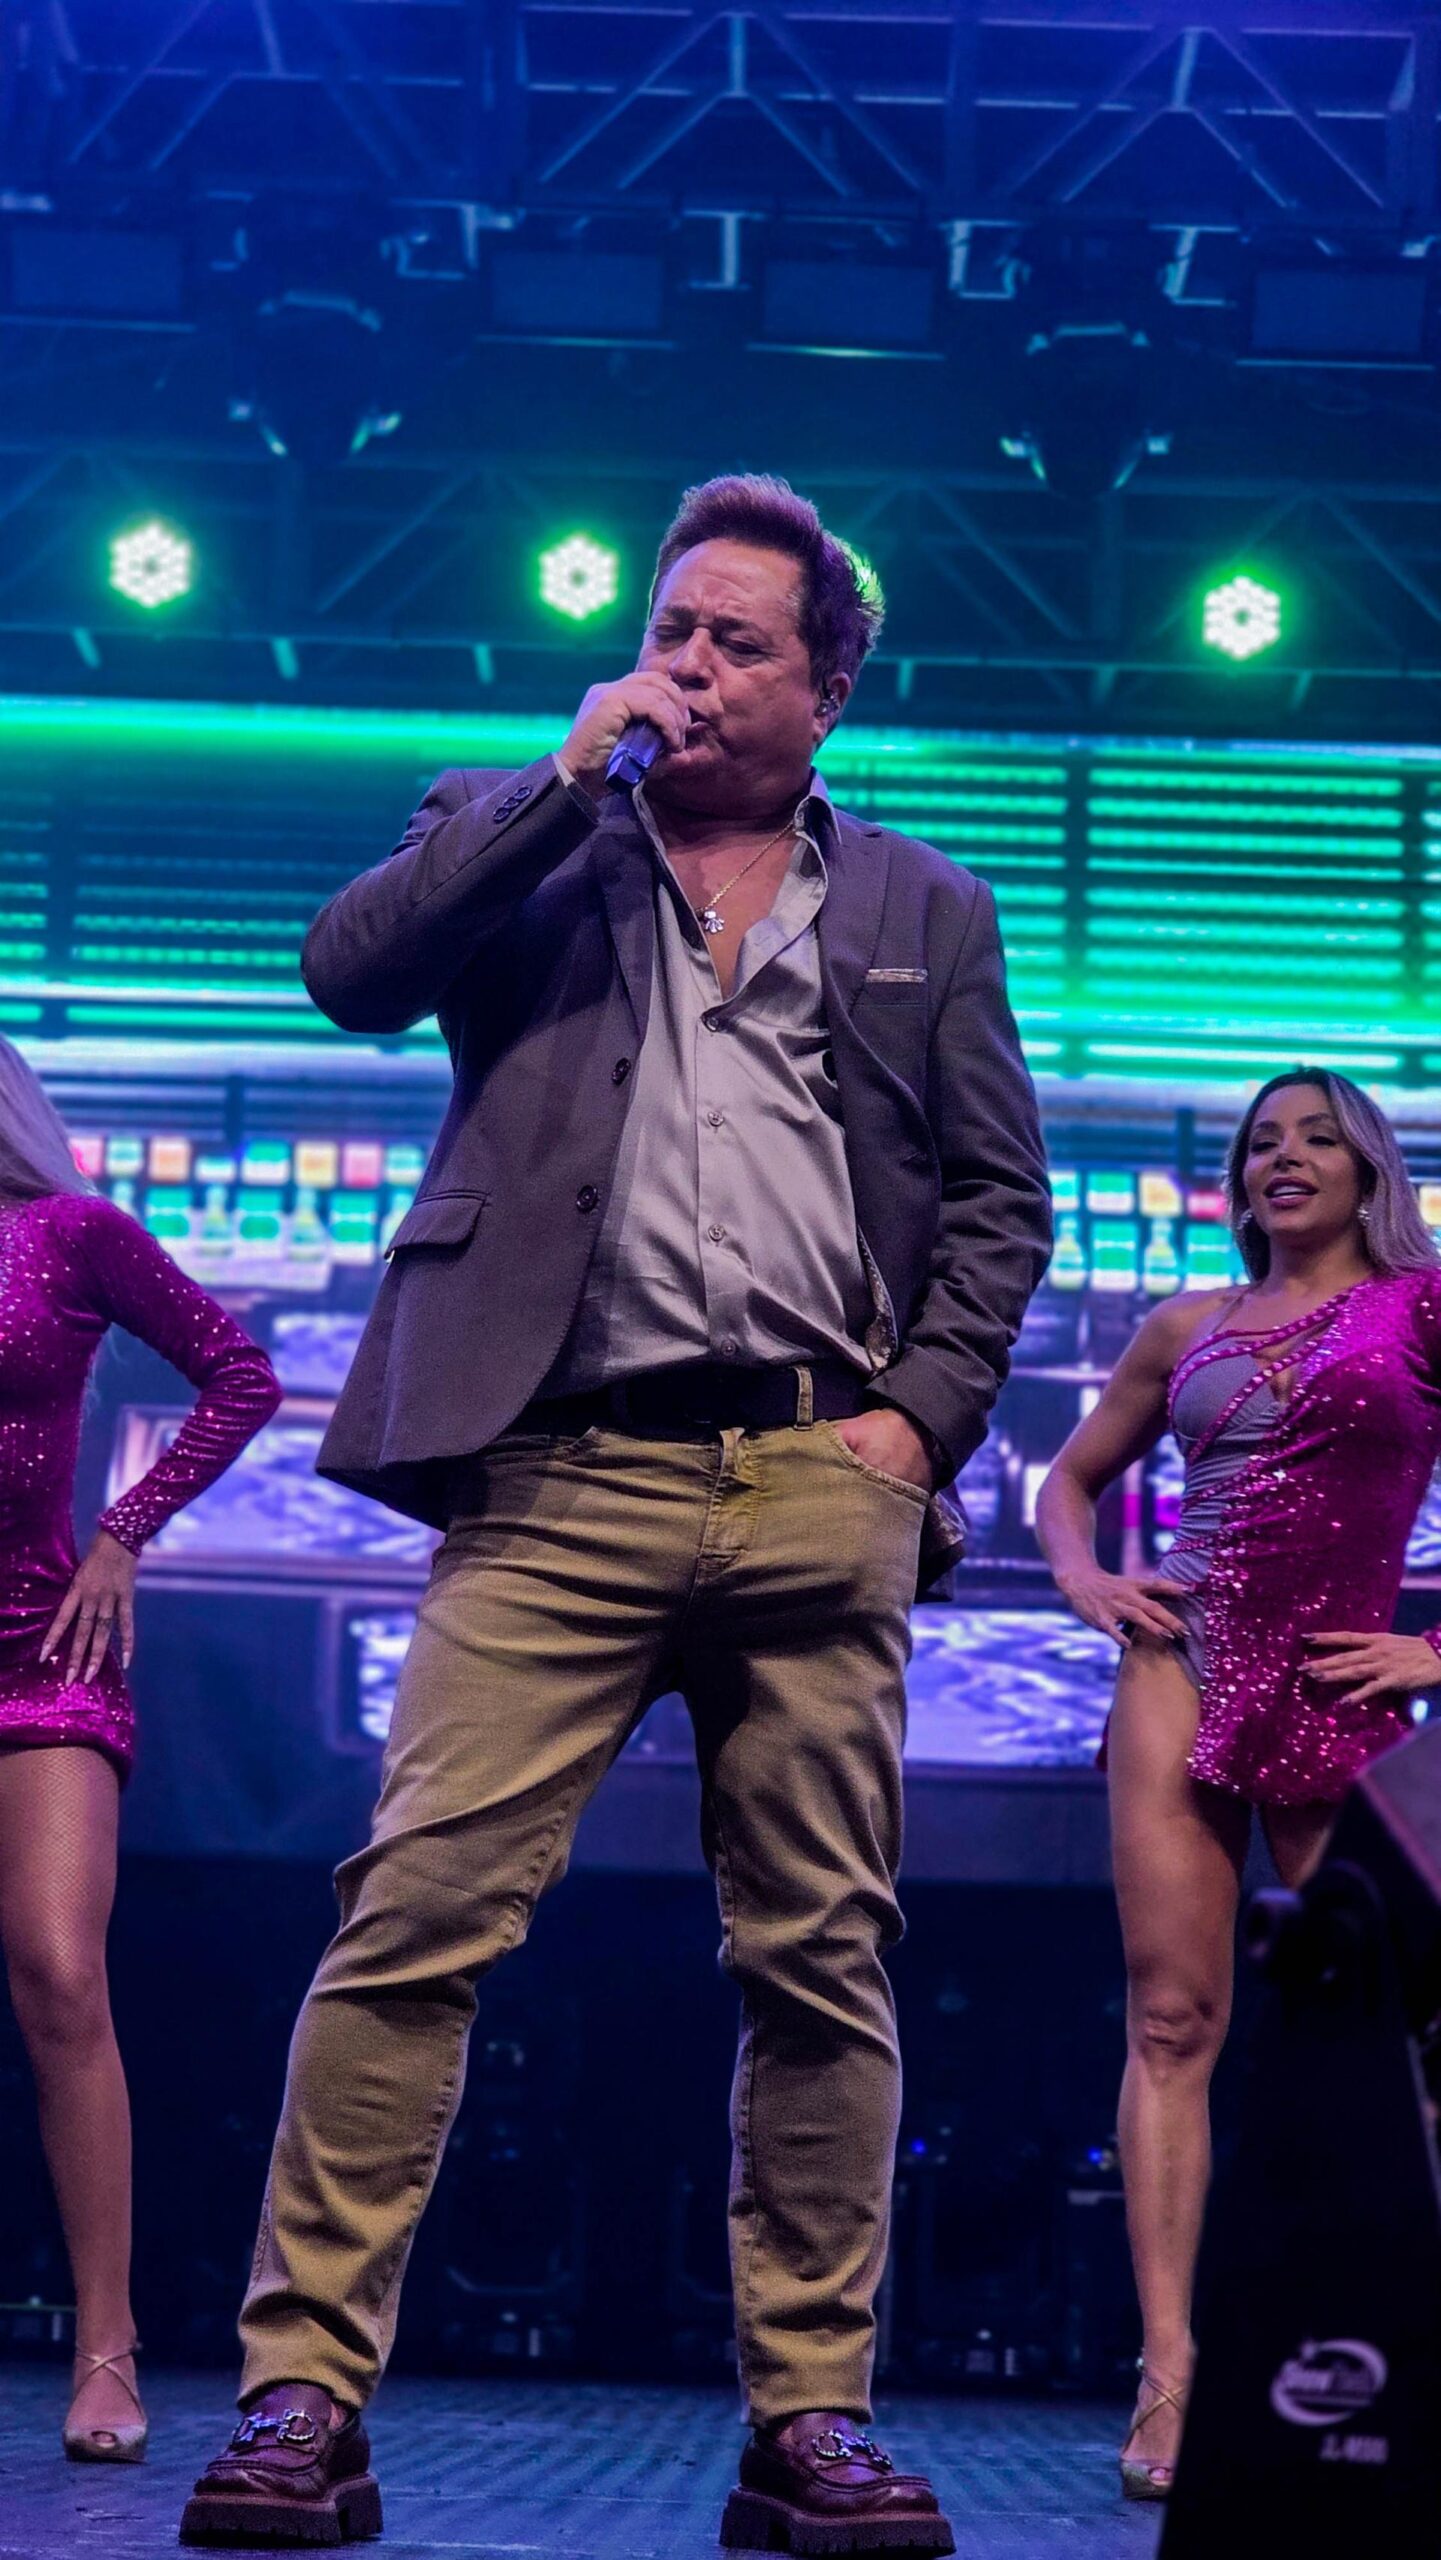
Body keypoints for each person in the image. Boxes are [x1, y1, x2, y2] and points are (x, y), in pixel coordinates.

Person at [180, 473, 1051, 2554]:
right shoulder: (526, 829)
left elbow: (997, 1202)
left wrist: (918, 1426)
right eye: (673, 628)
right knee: (412, 1919)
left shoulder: (926, 906)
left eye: (740, 640)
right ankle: (303, 2397)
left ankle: (807, 2420)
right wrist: (564, 781)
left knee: (819, 1956)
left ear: (828, 690)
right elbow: (349, 971)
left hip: (816, 1473)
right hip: (555, 1465)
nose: (690, 664)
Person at [1036, 1067, 1441, 2502]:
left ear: (1367, 1166)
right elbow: (1066, 1483)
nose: (1285, 1157)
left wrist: (1433, 1649)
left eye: (1318, 1137)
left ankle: (1387, 2365)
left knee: (1391, 2033)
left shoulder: (1424, 1307)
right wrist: (1087, 1579)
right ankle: (1172, 2381)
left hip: (1339, 1688)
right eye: (1262, 1141)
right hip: (1180, 1665)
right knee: (1171, 2019)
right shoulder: (1184, 1326)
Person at [0, 1038, 281, 2461]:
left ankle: (105, 2347)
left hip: (36, 1646)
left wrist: (123, 1531)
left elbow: (241, 1373)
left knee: (61, 1975)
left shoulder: (72, 1234)